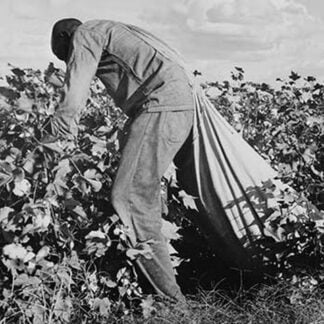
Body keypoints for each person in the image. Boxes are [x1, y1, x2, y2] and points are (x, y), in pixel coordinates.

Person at [48, 18, 194, 302]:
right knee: (145, 193)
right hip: (176, 105)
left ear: (66, 36)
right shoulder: (111, 30)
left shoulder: (85, 33)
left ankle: (172, 305)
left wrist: (54, 137)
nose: (72, 61)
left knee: (130, 199)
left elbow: (75, 92)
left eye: (67, 55)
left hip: (161, 106)